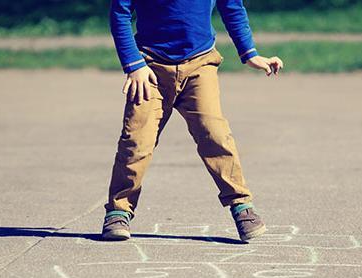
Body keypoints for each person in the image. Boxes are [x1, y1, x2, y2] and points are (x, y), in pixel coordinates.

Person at [101, 0, 283, 242]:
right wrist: (134, 65)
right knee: (137, 140)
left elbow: (232, 7)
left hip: (200, 64)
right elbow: (120, 13)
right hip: (150, 68)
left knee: (215, 134)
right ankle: (118, 210)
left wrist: (249, 53)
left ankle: (241, 205)